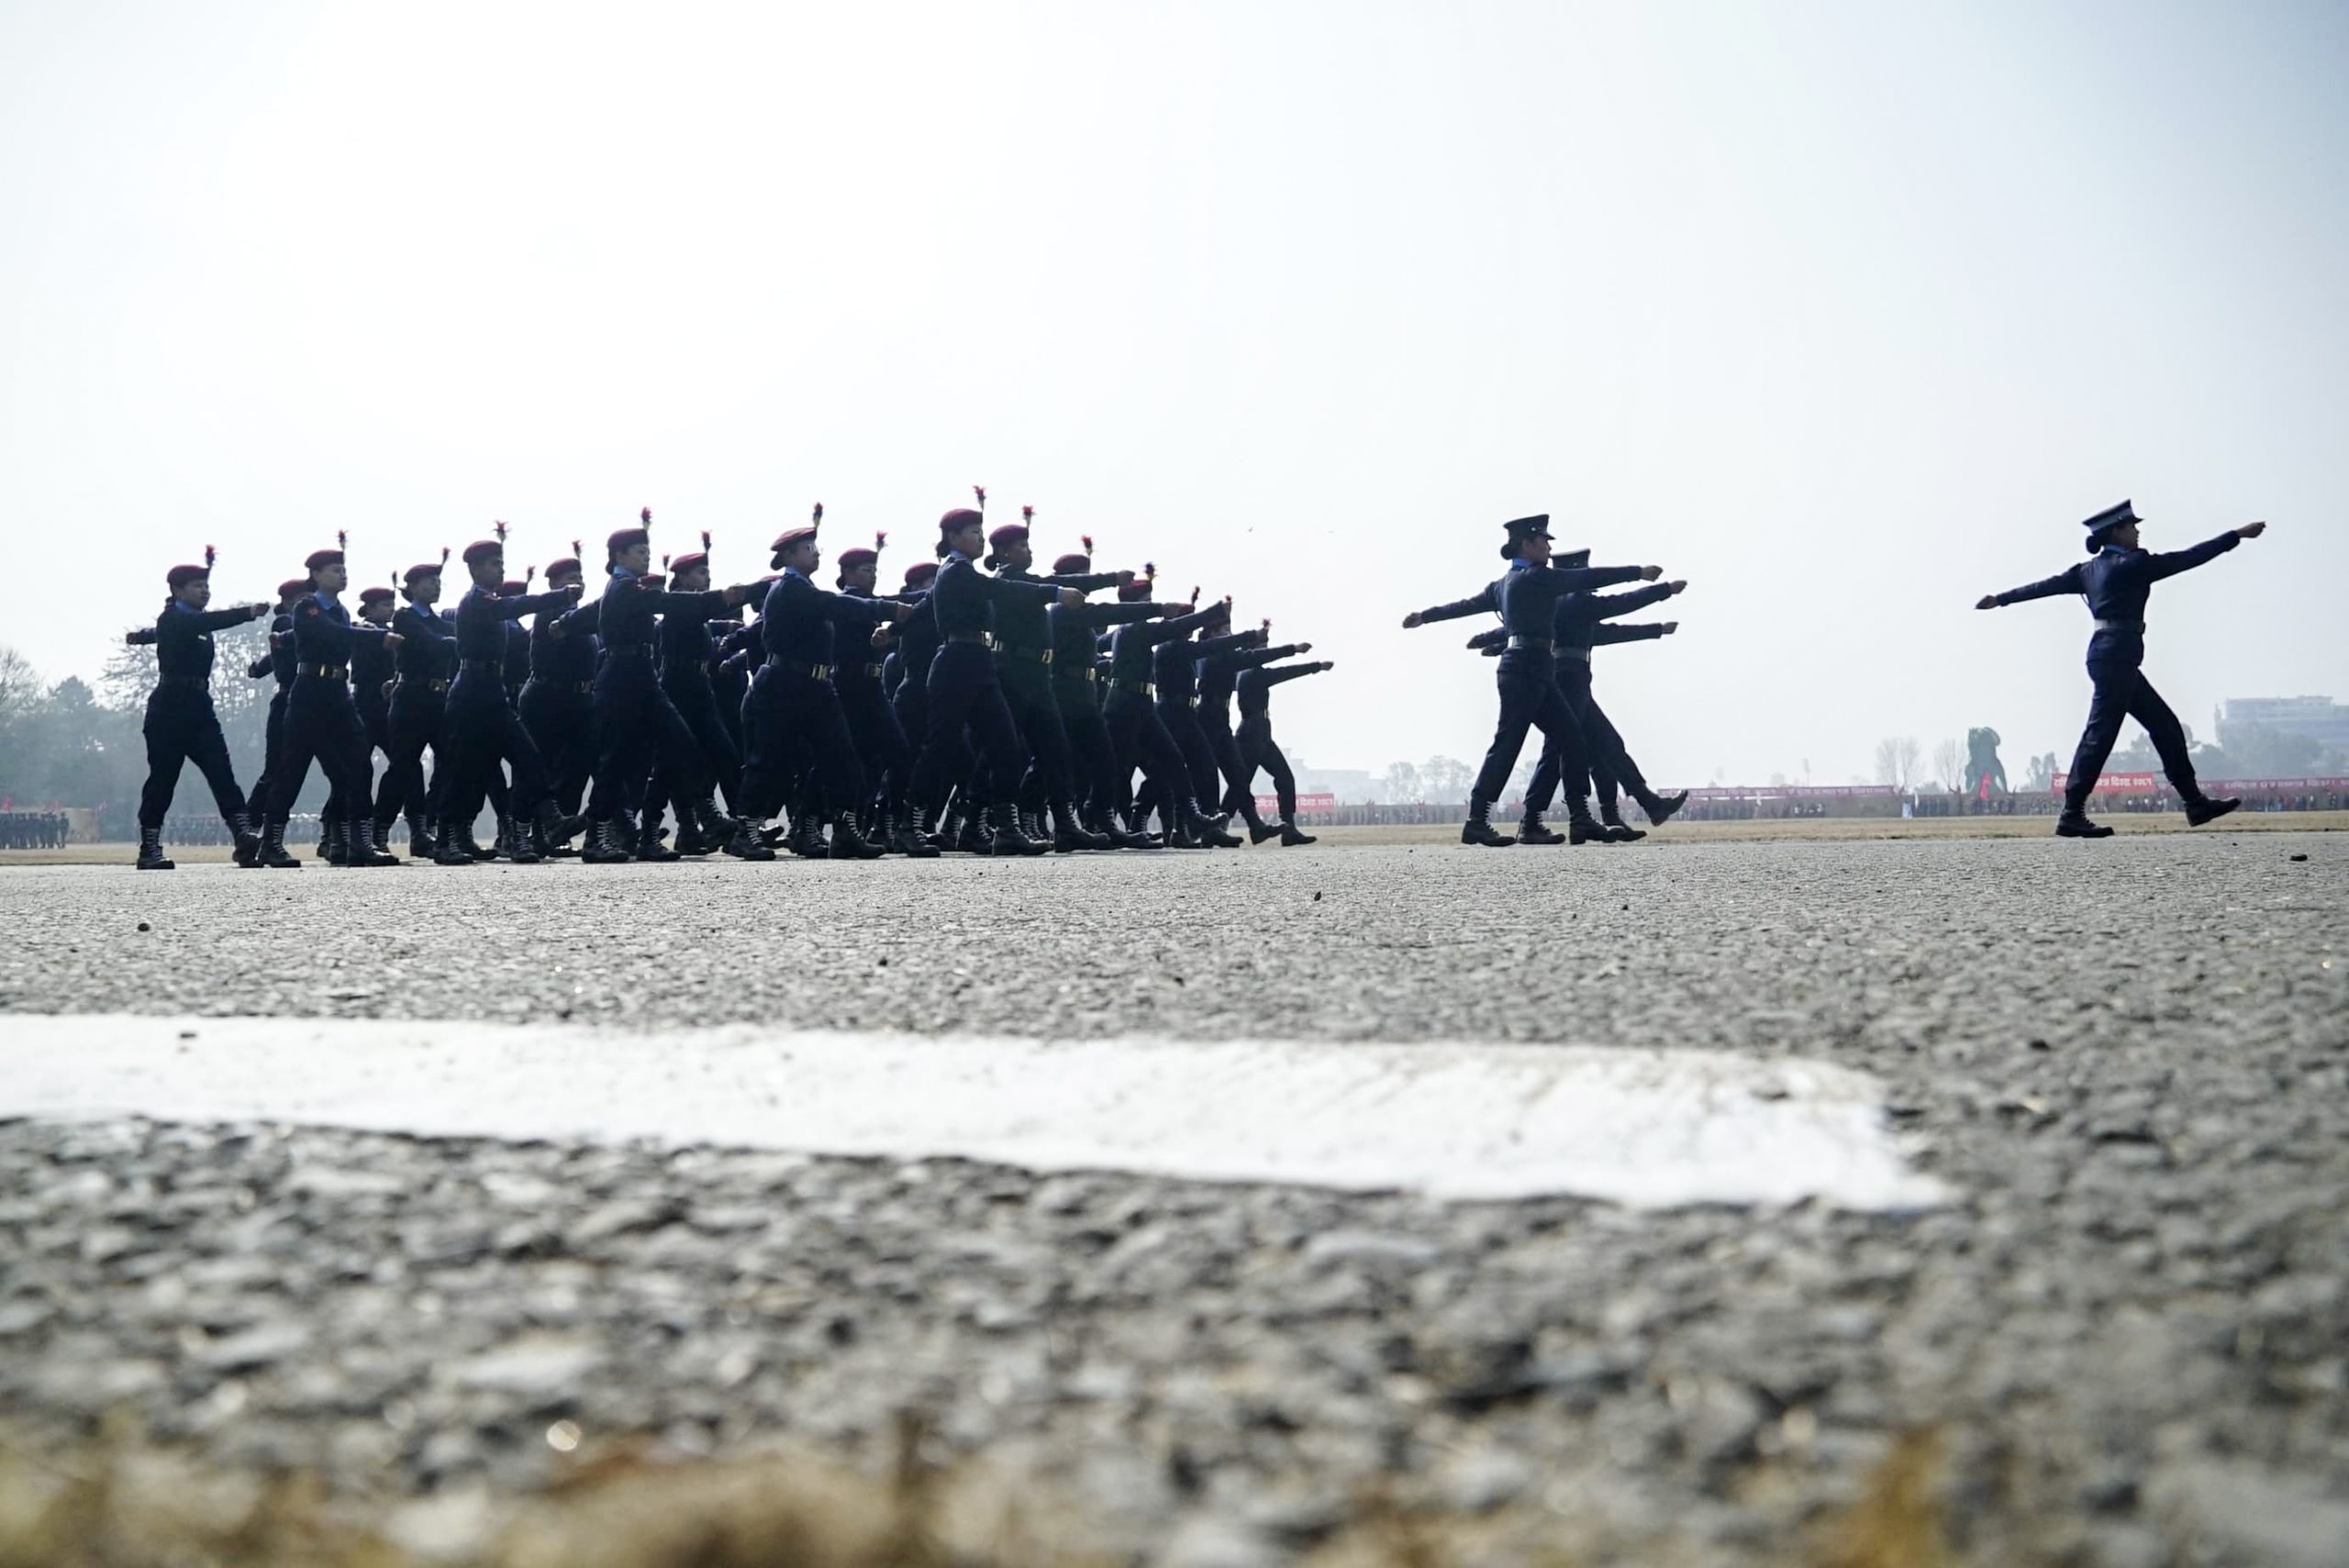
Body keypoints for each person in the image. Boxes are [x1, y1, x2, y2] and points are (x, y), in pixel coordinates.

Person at [1976, 501, 2264, 838]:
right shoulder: (2134, 564)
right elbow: (2188, 558)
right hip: (2116, 657)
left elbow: (2043, 586)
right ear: (2116, 531)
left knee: (2165, 726)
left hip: (2110, 656)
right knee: (2100, 736)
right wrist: (2235, 536)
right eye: (2131, 527)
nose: (2137, 532)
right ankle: (2071, 814)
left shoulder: (2087, 571)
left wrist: (2001, 598)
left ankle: (2195, 803)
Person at [1401, 515, 1659, 846]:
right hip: (1522, 670)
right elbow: (1588, 577)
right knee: (1508, 744)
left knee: (1573, 739)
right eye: (1543, 542)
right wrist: (1637, 572)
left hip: (1538, 670)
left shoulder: (1503, 584)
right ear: (1527, 545)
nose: (1549, 549)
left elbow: (1464, 606)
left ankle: (1579, 819)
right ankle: (1477, 821)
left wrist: (1425, 616)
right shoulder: (1535, 578)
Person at [902, 501, 1085, 856]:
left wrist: (892, 629)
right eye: (974, 533)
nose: (980, 539)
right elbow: (1002, 590)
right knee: (940, 746)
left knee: (1005, 745)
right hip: (956, 664)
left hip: (980, 664)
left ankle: (1001, 828)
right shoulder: (956, 570)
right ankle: (911, 826)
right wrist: (1054, 593)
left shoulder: (960, 572)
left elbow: (923, 606)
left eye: (981, 532)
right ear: (953, 537)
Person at [1473, 556, 1690, 843]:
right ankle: (1534, 820)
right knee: (1560, 751)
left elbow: (1523, 628)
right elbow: (1621, 604)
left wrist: (1492, 643)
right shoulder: (1578, 602)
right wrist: (1663, 591)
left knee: (1607, 744)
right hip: (1568, 681)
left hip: (1571, 680)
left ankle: (1647, 804)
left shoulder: (1555, 605)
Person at [584, 510, 759, 863]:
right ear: (619, 556)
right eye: (639, 552)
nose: (645, 557)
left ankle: (707, 818)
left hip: (645, 679)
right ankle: (598, 835)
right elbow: (667, 602)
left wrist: (564, 622)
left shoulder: (628, 589)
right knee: (615, 760)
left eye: (647, 551)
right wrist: (721, 598)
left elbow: (592, 613)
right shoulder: (623, 588)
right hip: (621, 679)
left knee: (683, 745)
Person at [739, 512, 907, 859]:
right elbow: (836, 604)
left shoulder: (804, 587)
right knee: (769, 759)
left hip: (817, 686)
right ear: (788, 556)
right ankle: (746, 829)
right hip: (784, 684)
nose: (816, 553)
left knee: (842, 757)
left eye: (816, 547)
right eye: (808, 548)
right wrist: (887, 607)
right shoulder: (790, 588)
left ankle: (845, 831)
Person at [431, 528, 583, 865]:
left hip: (493, 693)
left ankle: (551, 818)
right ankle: (446, 839)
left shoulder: (491, 604)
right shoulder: (478, 601)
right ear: (475, 569)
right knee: (464, 770)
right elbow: (515, 604)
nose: (500, 569)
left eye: (500, 563)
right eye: (493, 564)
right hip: (471, 694)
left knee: (527, 757)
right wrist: (557, 596)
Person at [985, 509, 1130, 851]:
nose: (1029, 550)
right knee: (1004, 752)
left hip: (1037, 678)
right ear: (1004, 552)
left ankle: (1065, 824)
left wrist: (1108, 580)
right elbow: (1049, 587)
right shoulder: (1007, 581)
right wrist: (1112, 579)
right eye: (1022, 546)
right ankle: (984, 820)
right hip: (1013, 673)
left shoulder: (1029, 582)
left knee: (1056, 752)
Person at [264, 536, 403, 868]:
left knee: (359, 765)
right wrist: (378, 636)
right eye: (334, 570)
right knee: (292, 769)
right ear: (315, 574)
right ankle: (271, 843)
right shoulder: (307, 606)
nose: (342, 575)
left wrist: (284, 639)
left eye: (344, 570)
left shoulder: (340, 610)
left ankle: (359, 842)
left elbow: (330, 630)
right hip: (309, 693)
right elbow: (330, 632)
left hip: (338, 694)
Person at [131, 550, 273, 869]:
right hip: (169, 708)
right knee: (163, 780)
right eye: (197, 586)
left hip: (199, 708)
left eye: (206, 586)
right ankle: (149, 848)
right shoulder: (174, 617)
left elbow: (179, 631)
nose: (204, 591)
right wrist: (247, 612)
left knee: (222, 774)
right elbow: (189, 624)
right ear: (177, 590)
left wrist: (142, 637)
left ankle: (243, 838)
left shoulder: (189, 622)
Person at [1047, 540, 1174, 849]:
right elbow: (1109, 612)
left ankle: (1102, 822)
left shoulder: (1078, 612)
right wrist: (1156, 608)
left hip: (1085, 695)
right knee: (1052, 762)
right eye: (1083, 576)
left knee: (1105, 760)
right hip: (1065, 694)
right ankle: (1044, 822)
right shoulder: (1063, 610)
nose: (1088, 582)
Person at [517, 542, 602, 854]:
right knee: (538, 768)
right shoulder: (550, 614)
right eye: (569, 579)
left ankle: (554, 832)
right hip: (547, 700)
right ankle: (519, 834)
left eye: (579, 577)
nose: (577, 583)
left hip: (579, 701)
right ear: (554, 585)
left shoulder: (580, 616)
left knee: (578, 767)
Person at [372, 553, 457, 860]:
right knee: (403, 766)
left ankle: (429, 830)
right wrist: (459, 642)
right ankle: (379, 831)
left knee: (449, 764)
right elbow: (431, 643)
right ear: (413, 587)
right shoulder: (405, 617)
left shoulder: (440, 621)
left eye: (438, 581)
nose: (435, 586)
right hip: (411, 697)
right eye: (429, 582)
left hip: (439, 698)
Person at [1234, 657, 1334, 845]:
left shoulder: (1243, 673)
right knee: (1239, 784)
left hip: (1261, 732)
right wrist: (1316, 666)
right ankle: (1218, 827)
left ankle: (1288, 829)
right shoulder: (1253, 674)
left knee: (1284, 778)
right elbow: (1286, 672)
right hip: (1252, 733)